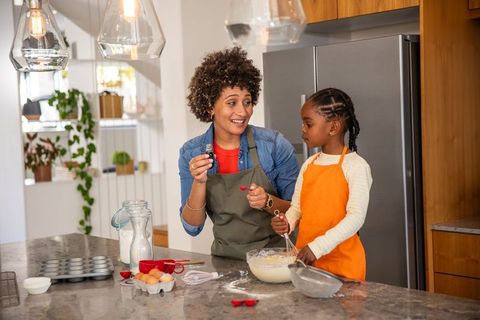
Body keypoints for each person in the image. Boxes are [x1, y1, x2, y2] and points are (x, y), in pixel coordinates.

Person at [179, 47, 300, 260]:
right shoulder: (192, 153)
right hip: (224, 262)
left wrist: (267, 202)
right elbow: (192, 226)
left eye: (247, 101)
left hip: (276, 259)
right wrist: (199, 182)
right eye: (231, 103)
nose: (243, 112)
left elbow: (300, 211)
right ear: (210, 106)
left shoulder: (273, 145)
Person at [271, 88, 372, 280]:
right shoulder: (310, 164)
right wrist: (288, 223)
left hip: (343, 267)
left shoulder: (356, 166)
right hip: (307, 264)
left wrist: (317, 248)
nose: (302, 130)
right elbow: (297, 208)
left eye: (308, 124)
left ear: (333, 128)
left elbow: (356, 218)